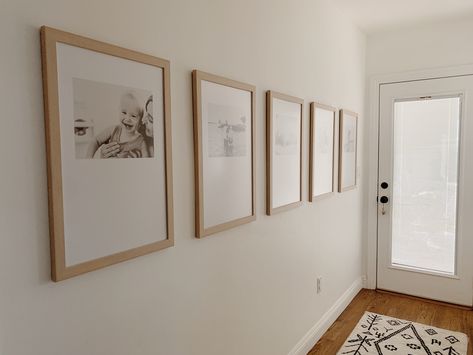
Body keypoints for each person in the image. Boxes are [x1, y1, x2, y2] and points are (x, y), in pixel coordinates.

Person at [86, 92, 148, 159]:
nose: (127, 119)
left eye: (133, 116)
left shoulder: (141, 142)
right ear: (119, 110)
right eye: (124, 112)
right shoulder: (113, 130)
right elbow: (95, 140)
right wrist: (89, 158)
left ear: (140, 121)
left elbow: (146, 160)